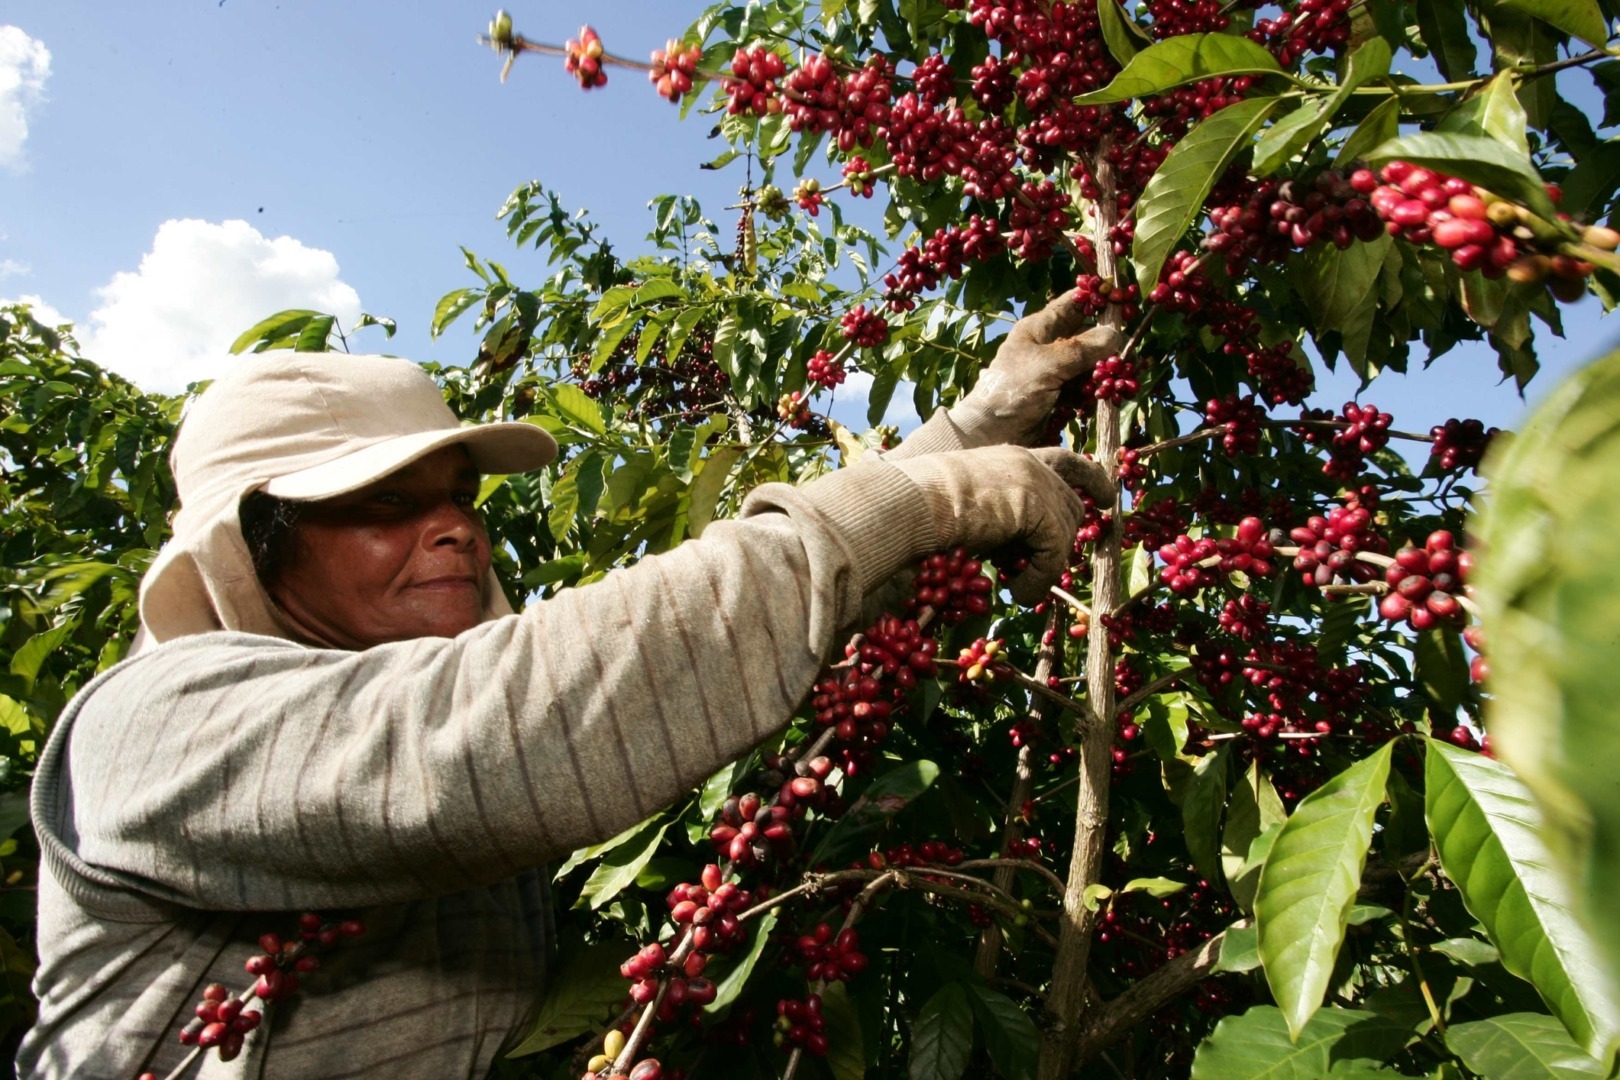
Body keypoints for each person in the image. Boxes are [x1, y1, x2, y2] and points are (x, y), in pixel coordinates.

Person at [19, 295, 1120, 1078]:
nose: (452, 524)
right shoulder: (149, 725)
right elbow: (487, 732)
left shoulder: (440, 686)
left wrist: (975, 428)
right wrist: (931, 501)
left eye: (456, 494)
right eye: (382, 504)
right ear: (250, 553)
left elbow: (664, 644)